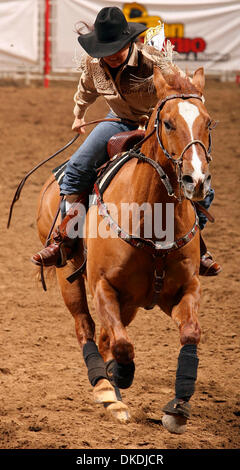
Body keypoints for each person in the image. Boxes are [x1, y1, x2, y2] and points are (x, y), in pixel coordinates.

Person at [31, 6, 221, 276]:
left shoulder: (154, 60)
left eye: (116, 49)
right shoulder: (94, 63)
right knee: (75, 170)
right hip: (118, 120)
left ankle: (197, 246)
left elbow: (183, 92)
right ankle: (65, 241)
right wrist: (78, 115)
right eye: (104, 50)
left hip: (159, 125)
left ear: (129, 43)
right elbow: (86, 88)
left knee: (198, 181)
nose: (110, 56)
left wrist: (176, 113)